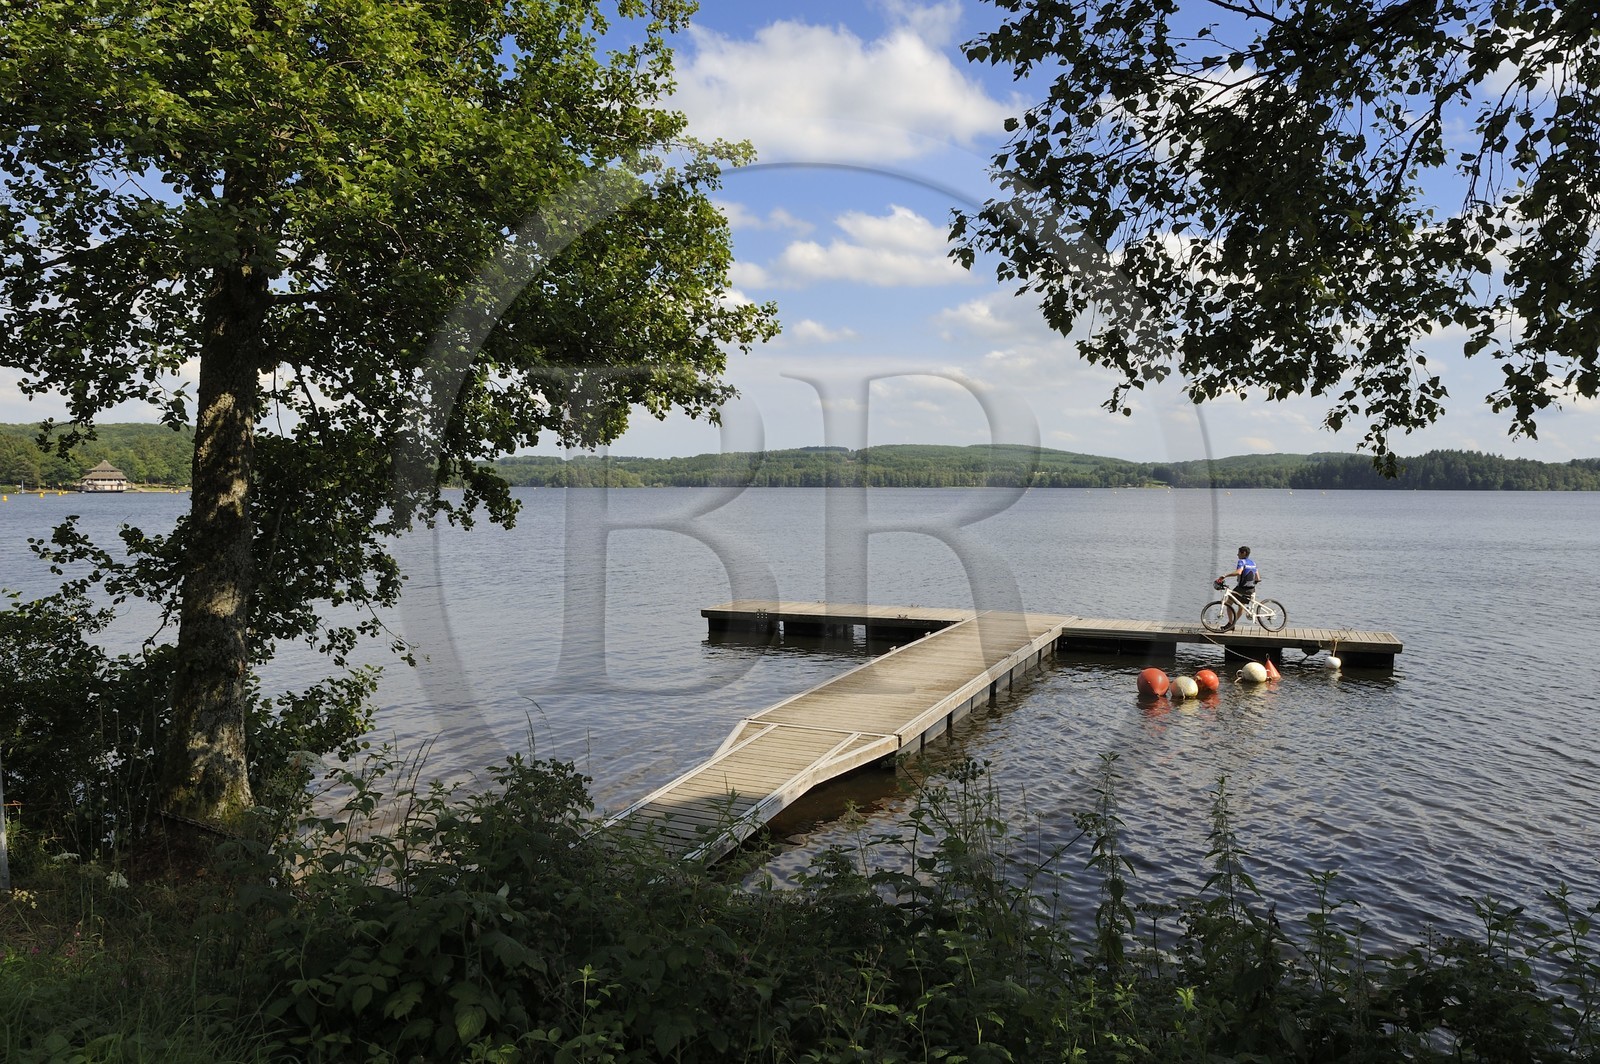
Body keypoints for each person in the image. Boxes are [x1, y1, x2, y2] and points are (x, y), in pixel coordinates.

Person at [1215, 546, 1260, 632]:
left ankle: (1230, 623)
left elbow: (1239, 572)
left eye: (1238, 552)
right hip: (1251, 589)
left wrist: (1225, 575)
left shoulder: (1241, 561)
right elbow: (1258, 578)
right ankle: (1233, 624)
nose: (1237, 554)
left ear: (1243, 553)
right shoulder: (1253, 563)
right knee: (1241, 607)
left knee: (1228, 603)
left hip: (1241, 588)